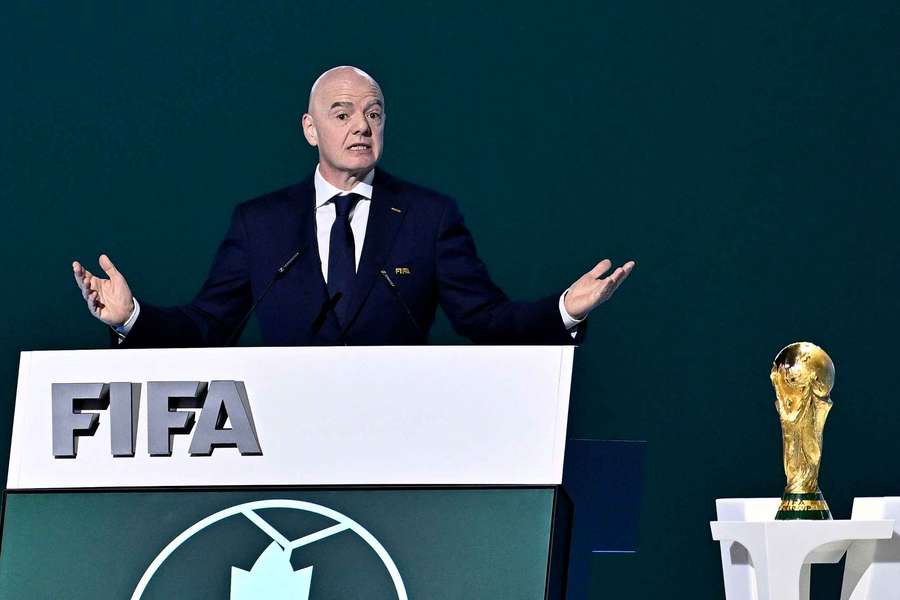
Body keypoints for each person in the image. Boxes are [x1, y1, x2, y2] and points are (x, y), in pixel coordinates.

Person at [72, 66, 634, 347]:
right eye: (342, 115)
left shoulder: (428, 217)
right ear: (310, 129)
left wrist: (565, 309)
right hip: (282, 436)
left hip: (394, 438)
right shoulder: (260, 223)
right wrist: (133, 318)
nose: (361, 126)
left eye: (374, 113)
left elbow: (484, 321)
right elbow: (209, 326)